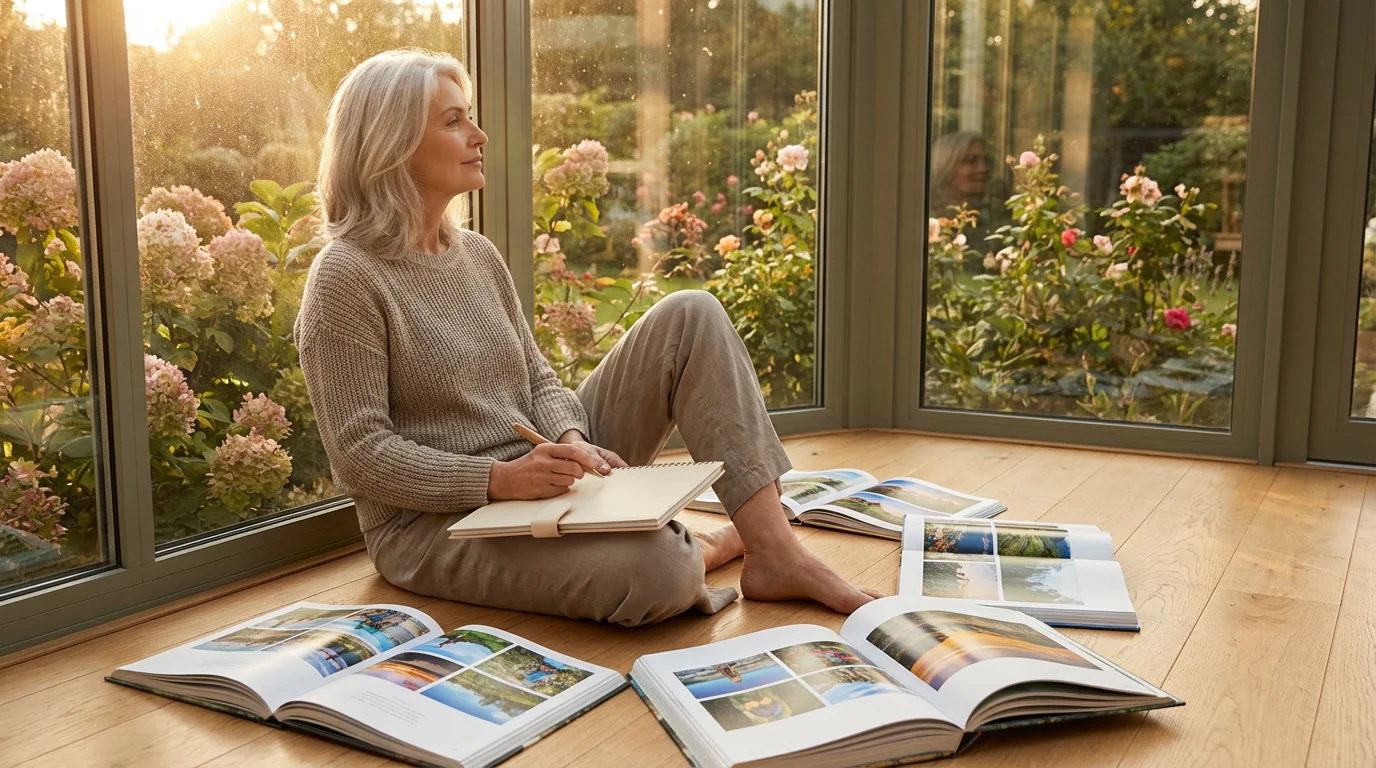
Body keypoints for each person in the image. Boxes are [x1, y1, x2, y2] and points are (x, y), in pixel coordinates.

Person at [295, 49, 880, 628]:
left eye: (469, 115)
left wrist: (573, 441)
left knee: (691, 313)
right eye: (453, 121)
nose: (479, 134)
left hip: (543, 472)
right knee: (661, 575)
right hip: (433, 523)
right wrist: (500, 480)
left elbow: (539, 378)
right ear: (390, 145)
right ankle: (703, 548)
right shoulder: (345, 276)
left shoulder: (476, 254)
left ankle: (774, 554)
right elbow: (360, 455)